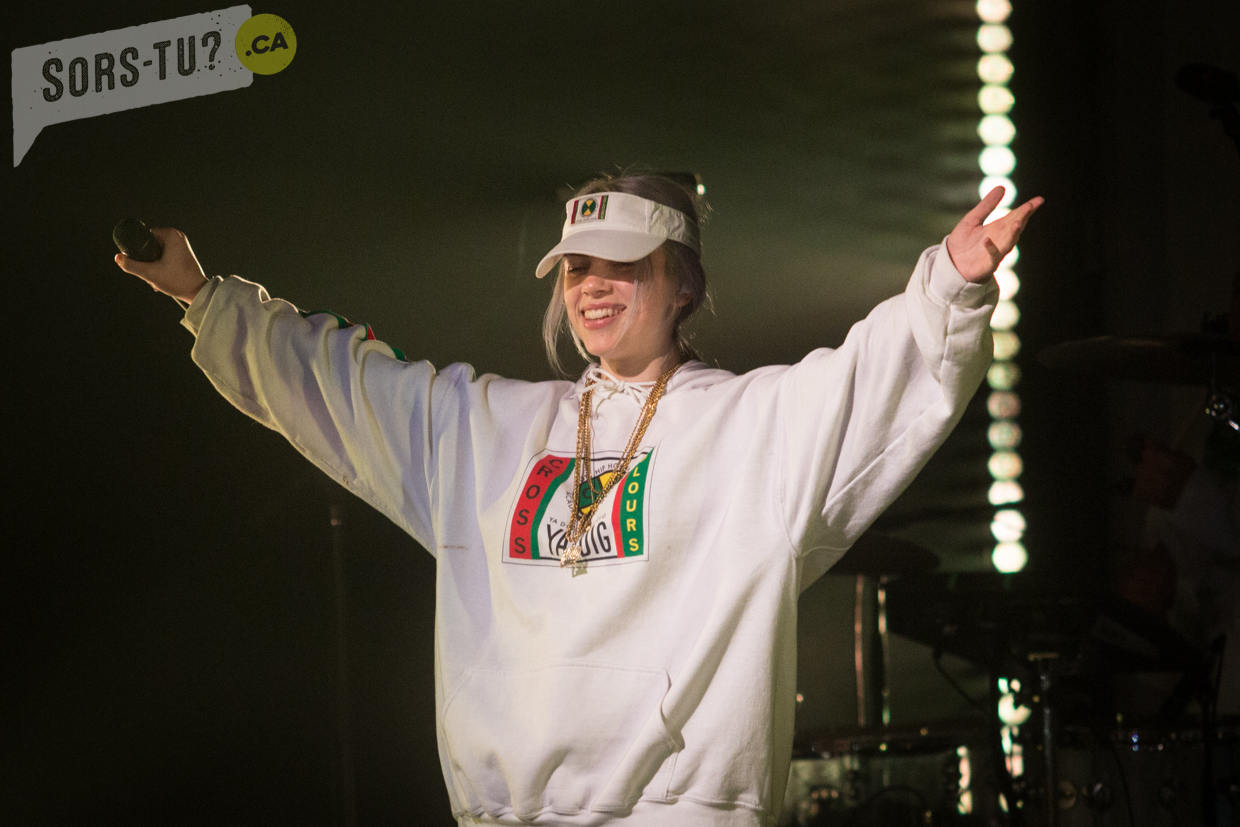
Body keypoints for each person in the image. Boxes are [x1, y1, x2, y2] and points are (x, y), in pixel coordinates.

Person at [115, 173, 1041, 826]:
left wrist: (948, 287)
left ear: (682, 283)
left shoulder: (751, 425)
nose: (592, 285)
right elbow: (342, 383)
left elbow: (874, 381)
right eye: (574, 266)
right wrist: (201, 292)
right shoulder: (487, 426)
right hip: (505, 811)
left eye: (621, 263)